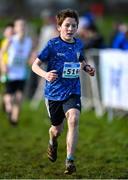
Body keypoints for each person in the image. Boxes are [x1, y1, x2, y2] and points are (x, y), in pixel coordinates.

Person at [32, 9, 95, 174]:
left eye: (74, 25)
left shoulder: (78, 43)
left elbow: (80, 59)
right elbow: (34, 65)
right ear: (59, 27)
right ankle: (52, 141)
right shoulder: (52, 45)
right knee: (57, 130)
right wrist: (46, 74)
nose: (70, 29)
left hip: (73, 90)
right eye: (67, 25)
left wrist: (86, 67)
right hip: (53, 93)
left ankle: (70, 160)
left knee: (73, 119)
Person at [0, 18, 33, 125]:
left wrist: (31, 59)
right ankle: (8, 108)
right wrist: (3, 65)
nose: (22, 27)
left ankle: (14, 120)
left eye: (24, 25)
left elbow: (30, 55)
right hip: (10, 71)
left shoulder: (29, 41)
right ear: (15, 28)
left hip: (22, 72)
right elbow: (1, 53)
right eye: (19, 25)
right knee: (9, 95)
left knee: (19, 97)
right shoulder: (10, 40)